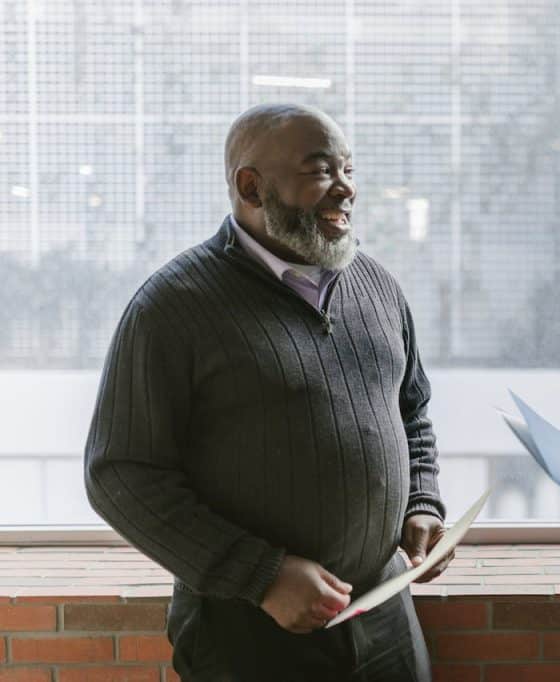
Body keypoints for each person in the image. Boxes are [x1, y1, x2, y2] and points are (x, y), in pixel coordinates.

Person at [84, 103, 450, 681]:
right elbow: (120, 473)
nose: (346, 189)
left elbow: (412, 409)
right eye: (320, 171)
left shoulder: (377, 285)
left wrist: (422, 502)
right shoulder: (173, 306)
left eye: (348, 169)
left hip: (384, 619)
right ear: (251, 186)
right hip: (248, 631)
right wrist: (264, 577)